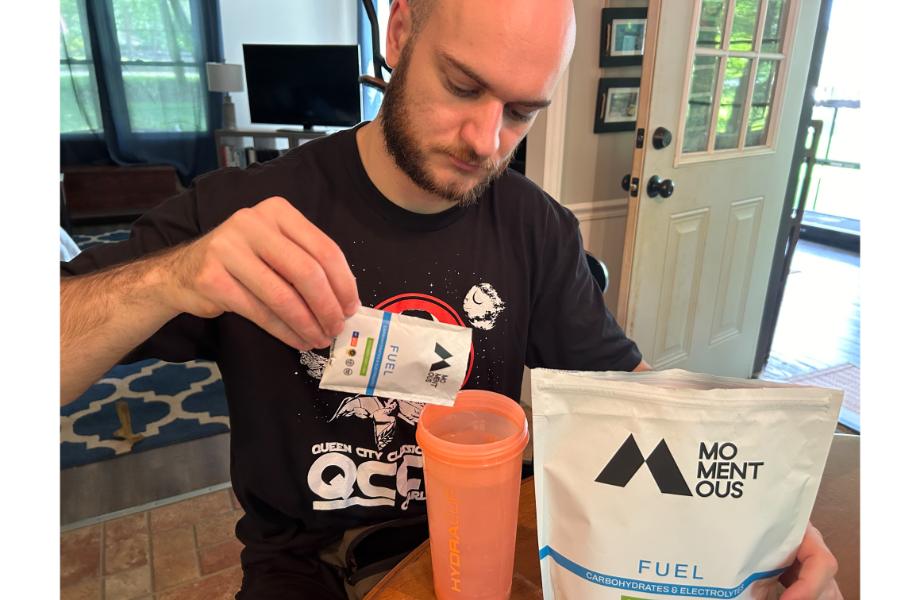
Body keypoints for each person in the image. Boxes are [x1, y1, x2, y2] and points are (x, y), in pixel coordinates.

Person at [60, 1, 842, 598]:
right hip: (306, 571)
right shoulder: (243, 208)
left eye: (522, 112)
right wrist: (173, 276)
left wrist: (751, 512)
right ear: (400, 32)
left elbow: (631, 398)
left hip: (483, 547)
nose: (485, 139)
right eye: (463, 86)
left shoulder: (537, 230)